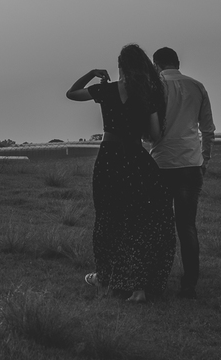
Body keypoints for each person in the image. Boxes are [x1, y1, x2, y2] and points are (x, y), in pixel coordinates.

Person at [67, 44, 175, 301]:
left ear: (121, 67)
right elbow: (156, 135)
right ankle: (138, 287)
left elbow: (71, 94)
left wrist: (92, 73)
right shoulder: (147, 94)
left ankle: (106, 280)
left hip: (109, 158)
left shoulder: (106, 89)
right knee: (140, 221)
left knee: (108, 219)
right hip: (135, 158)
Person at [149, 47, 215, 299]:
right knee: (187, 225)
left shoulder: (154, 88)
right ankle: (189, 284)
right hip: (190, 162)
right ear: (177, 62)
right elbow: (208, 130)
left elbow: (149, 130)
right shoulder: (197, 86)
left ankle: (157, 278)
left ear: (156, 65)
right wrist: (204, 160)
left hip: (162, 162)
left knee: (160, 224)